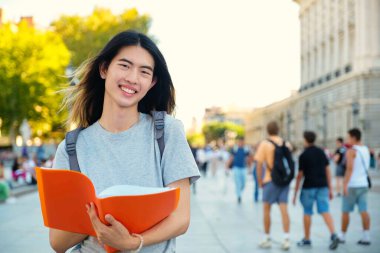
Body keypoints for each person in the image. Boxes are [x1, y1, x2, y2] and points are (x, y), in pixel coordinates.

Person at [50, 30, 200, 253]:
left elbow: (181, 218)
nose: (132, 78)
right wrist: (97, 222)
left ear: (152, 82)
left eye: (144, 71)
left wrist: (132, 242)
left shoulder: (167, 132)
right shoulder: (71, 149)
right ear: (104, 69)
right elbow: (57, 242)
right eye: (124, 65)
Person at [293, 131, 339, 250]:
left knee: (307, 212)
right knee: (325, 210)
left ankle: (307, 238)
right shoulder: (321, 152)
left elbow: (300, 175)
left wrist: (295, 192)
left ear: (305, 140)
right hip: (322, 186)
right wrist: (330, 188)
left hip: (308, 186)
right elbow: (328, 171)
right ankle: (333, 234)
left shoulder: (303, 155)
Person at [255, 121, 292, 250]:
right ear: (278, 130)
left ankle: (267, 238)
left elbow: (259, 165)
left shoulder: (264, 144)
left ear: (268, 130)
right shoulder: (285, 143)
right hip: (284, 181)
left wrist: (260, 181)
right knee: (284, 210)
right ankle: (286, 239)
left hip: (270, 180)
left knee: (266, 209)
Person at [338, 128, 371, 246]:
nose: (347, 140)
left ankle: (342, 235)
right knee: (364, 211)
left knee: (345, 211)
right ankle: (366, 236)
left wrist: (345, 184)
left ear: (353, 137)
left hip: (352, 185)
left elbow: (349, 168)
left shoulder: (351, 151)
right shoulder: (366, 149)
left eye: (348, 137)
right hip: (363, 184)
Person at [227, 137, 250, 204]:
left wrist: (249, 167)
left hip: (243, 168)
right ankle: (239, 196)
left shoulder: (246, 149)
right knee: (237, 183)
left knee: (243, 183)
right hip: (236, 168)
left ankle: (239, 191)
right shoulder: (235, 149)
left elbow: (248, 159)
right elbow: (231, 158)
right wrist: (227, 166)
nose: (241, 143)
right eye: (240, 142)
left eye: (242, 142)